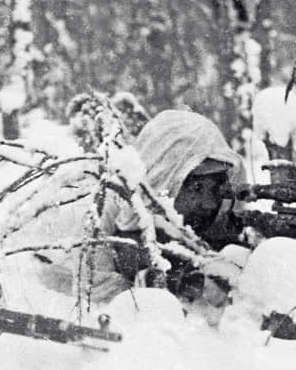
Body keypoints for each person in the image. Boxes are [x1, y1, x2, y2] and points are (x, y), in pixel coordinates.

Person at [38, 109, 247, 309]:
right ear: (162, 178)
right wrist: (163, 286)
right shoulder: (102, 218)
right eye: (197, 188)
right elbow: (81, 292)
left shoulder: (229, 229)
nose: (209, 203)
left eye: (217, 189)